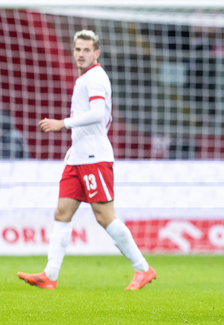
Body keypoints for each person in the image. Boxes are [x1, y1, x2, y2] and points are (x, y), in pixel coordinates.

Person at [17, 30, 156, 290]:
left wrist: (62, 124)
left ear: (96, 53)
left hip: (94, 157)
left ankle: (143, 269)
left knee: (104, 216)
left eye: (86, 50)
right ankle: (50, 275)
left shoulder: (96, 78)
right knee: (62, 212)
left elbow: (97, 114)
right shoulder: (84, 78)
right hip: (78, 157)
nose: (80, 54)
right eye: (77, 49)